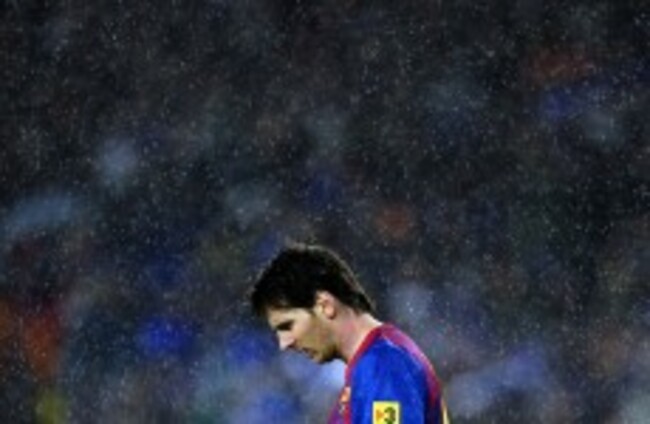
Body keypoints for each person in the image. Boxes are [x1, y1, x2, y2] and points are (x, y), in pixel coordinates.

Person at [249, 243, 450, 423]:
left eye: (287, 325)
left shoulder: (384, 364)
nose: (284, 343)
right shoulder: (367, 368)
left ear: (325, 305)